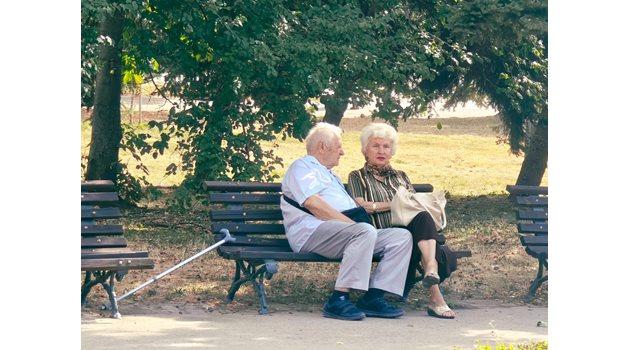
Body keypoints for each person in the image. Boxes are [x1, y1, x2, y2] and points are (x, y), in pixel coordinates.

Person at [281, 122, 413, 321]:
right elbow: (313, 203)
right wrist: (353, 226)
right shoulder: (303, 167)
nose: (342, 152)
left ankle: (374, 296)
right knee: (365, 232)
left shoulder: (329, 174)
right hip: (312, 233)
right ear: (322, 147)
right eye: (339, 146)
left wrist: (357, 228)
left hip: (345, 233)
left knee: (401, 237)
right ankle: (338, 299)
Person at [347, 122, 456, 319]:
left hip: (411, 230)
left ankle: (431, 270)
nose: (381, 151)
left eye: (386, 146)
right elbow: (361, 206)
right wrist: (396, 204)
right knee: (418, 231)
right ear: (365, 150)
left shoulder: (401, 176)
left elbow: (414, 206)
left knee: (421, 218)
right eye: (376, 146)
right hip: (382, 233)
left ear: (392, 151)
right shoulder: (358, 176)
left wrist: (393, 204)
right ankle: (435, 296)